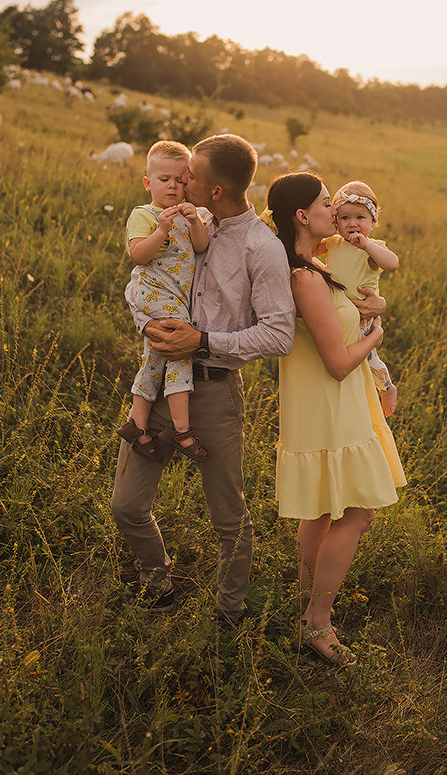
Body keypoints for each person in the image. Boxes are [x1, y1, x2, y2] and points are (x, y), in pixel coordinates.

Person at [112, 134, 304, 624]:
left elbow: (279, 335)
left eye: (190, 176)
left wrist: (201, 341)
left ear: (215, 190)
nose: (180, 182)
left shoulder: (261, 248)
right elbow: (142, 281)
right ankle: (158, 584)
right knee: (127, 507)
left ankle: (230, 611)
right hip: (158, 381)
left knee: (228, 518)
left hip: (215, 391)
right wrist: (148, 323)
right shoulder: (177, 222)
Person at [263, 172, 406, 666]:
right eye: (328, 203)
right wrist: (375, 338)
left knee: (321, 511)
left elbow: (354, 297)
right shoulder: (305, 276)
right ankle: (318, 621)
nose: (337, 208)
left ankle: (307, 605)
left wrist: (376, 303)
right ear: (303, 216)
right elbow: (339, 361)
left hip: (328, 402)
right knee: (358, 512)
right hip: (328, 400)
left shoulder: (316, 266)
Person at [118, 140, 210, 463]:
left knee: (156, 358)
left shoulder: (190, 214)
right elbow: (138, 254)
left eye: (180, 180)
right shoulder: (144, 214)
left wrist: (195, 221)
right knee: (178, 348)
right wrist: (162, 230)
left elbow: (200, 248)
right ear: (148, 183)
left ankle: (137, 423)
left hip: (174, 297)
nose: (173, 186)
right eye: (164, 179)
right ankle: (181, 428)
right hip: (155, 291)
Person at [322, 180, 399, 419]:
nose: (353, 224)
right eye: (344, 218)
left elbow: (393, 264)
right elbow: (307, 249)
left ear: (373, 222)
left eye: (360, 218)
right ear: (336, 221)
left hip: (363, 317)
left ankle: (386, 388)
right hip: (336, 313)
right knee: (340, 357)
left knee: (368, 358)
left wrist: (366, 245)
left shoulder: (373, 248)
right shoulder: (333, 243)